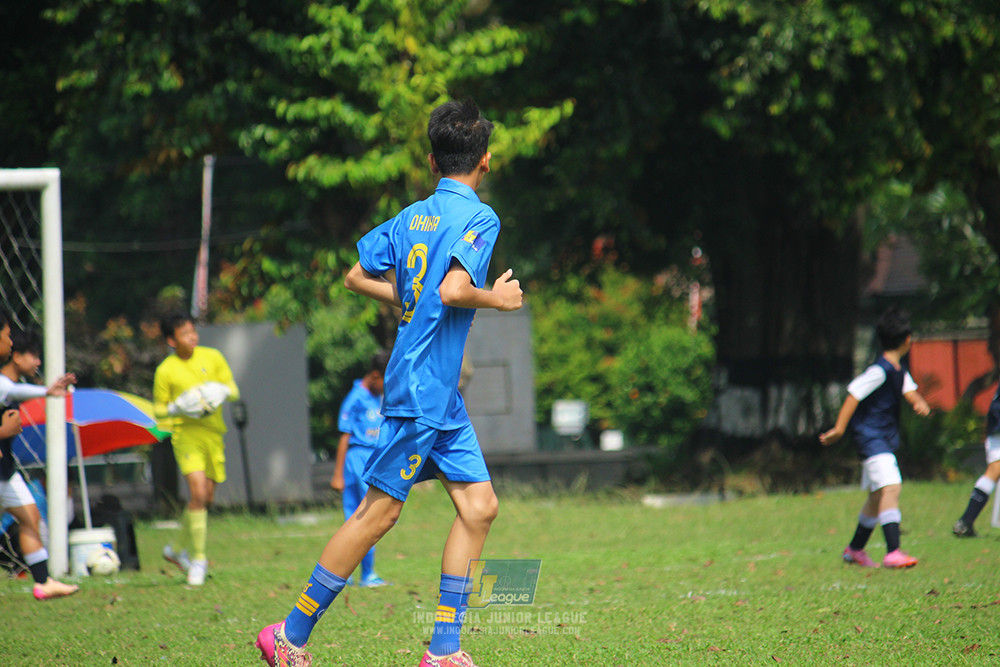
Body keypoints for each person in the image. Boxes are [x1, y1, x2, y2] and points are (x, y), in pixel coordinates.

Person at [256, 98, 523, 667]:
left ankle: (444, 652)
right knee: (378, 514)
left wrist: (411, 294)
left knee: (479, 507)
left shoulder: (410, 217)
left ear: (432, 160)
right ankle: (289, 635)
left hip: (438, 394)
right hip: (423, 389)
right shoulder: (481, 215)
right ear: (487, 160)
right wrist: (497, 298)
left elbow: (356, 275)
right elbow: (453, 290)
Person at [820, 306, 931, 569]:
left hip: (880, 439)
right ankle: (893, 551)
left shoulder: (898, 370)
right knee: (892, 487)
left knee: (876, 496)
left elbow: (909, 390)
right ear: (907, 340)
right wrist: (839, 428)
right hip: (871, 438)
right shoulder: (880, 370)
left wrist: (918, 402)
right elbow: (854, 394)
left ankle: (855, 550)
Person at [153, 311, 239, 586]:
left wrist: (221, 391)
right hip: (185, 435)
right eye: (185, 334)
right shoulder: (165, 370)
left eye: (193, 332)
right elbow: (158, 410)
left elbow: (233, 390)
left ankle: (175, 549)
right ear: (171, 340)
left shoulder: (212, 357)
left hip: (214, 434)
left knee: (206, 498)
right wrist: (177, 407)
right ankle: (199, 559)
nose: (192, 337)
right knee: (198, 493)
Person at [0, 316, 79, 599]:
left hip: (4, 471)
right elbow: (8, 390)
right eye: (7, 337)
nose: (10, 342)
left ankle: (43, 581)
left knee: (30, 516)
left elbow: (11, 390)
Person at [328, 350, 392, 588]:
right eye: (385, 380)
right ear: (375, 375)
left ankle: (357, 573)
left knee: (361, 517)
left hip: (372, 459)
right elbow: (345, 436)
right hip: (356, 459)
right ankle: (362, 573)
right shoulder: (355, 398)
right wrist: (337, 475)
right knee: (364, 516)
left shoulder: (378, 397)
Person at [952, 388, 1000, 537]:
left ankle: (965, 521)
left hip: (995, 430)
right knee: (993, 471)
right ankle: (965, 521)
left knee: (993, 471)